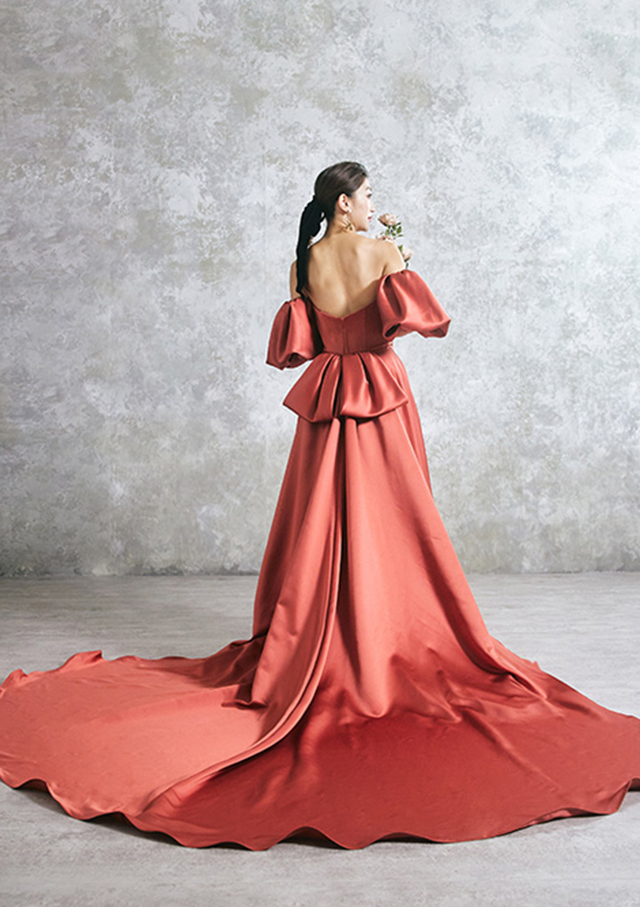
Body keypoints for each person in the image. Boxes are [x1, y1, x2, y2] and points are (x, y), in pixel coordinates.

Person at [0, 161, 638, 851]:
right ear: (344, 203)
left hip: (329, 398)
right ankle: (384, 626)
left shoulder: (302, 265)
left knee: (321, 517)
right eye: (367, 195)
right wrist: (398, 256)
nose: (373, 204)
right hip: (380, 395)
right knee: (394, 519)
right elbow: (422, 321)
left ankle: (328, 626)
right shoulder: (382, 251)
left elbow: (300, 345)